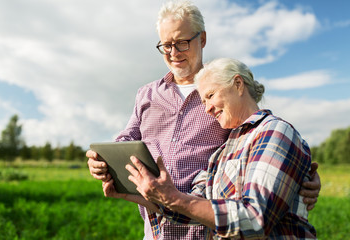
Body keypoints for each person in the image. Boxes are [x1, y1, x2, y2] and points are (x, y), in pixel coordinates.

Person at [87, 1, 320, 239]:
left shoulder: (226, 91)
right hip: (159, 227)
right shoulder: (147, 95)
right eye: (166, 45)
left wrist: (298, 175)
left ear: (203, 39)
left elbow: (264, 141)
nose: (173, 53)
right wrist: (104, 161)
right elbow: (126, 140)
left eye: (182, 43)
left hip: (208, 228)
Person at [114, 58, 317, 239]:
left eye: (210, 95)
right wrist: (135, 194)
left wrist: (174, 198)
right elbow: (195, 207)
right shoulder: (221, 152)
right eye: (203, 101)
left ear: (238, 84)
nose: (207, 108)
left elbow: (255, 220)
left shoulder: (274, 132)